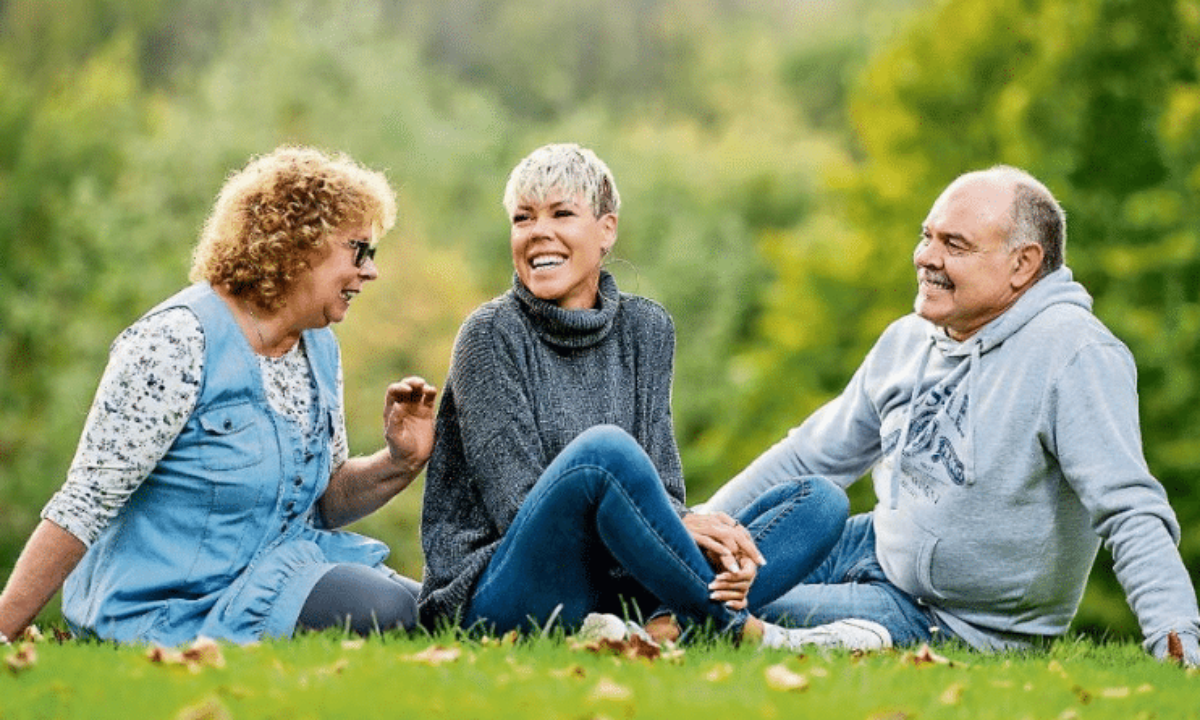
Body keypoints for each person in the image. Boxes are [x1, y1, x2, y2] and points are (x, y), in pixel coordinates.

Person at [701, 165, 1200, 664]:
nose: (925, 257)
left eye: (954, 245)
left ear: (1022, 264)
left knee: (716, 607)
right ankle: (646, 570)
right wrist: (696, 526)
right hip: (870, 548)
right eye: (926, 236)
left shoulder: (1075, 354)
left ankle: (671, 619)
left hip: (950, 618)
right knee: (700, 569)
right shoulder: (908, 339)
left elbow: (1129, 508)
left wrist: (1176, 637)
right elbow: (807, 458)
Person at [417, 142, 890, 651]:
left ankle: (664, 628)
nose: (538, 233)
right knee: (604, 454)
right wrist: (680, 528)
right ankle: (744, 633)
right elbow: (519, 508)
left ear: (606, 230)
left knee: (819, 501)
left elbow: (663, 485)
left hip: (618, 592)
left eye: (562, 214)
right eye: (523, 218)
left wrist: (687, 528)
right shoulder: (489, 335)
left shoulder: (647, 328)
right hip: (501, 594)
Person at [0, 146, 437, 647]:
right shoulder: (176, 341)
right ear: (297, 245)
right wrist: (3, 627)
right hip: (166, 607)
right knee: (386, 610)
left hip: (273, 576)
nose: (370, 271)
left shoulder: (318, 346)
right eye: (359, 250)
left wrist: (400, 461)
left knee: (430, 611)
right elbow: (85, 502)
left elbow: (320, 503)